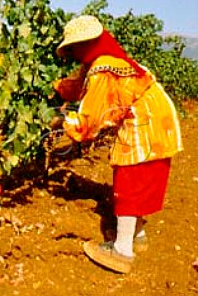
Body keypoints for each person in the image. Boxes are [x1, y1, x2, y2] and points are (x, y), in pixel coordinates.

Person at [53, 15, 183, 273]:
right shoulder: (107, 60)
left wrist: (62, 120)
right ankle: (138, 234)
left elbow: (88, 123)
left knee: (130, 179)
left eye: (74, 47)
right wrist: (56, 87)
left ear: (87, 44)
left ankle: (122, 251)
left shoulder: (103, 68)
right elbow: (79, 87)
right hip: (159, 120)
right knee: (145, 179)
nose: (72, 53)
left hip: (143, 123)